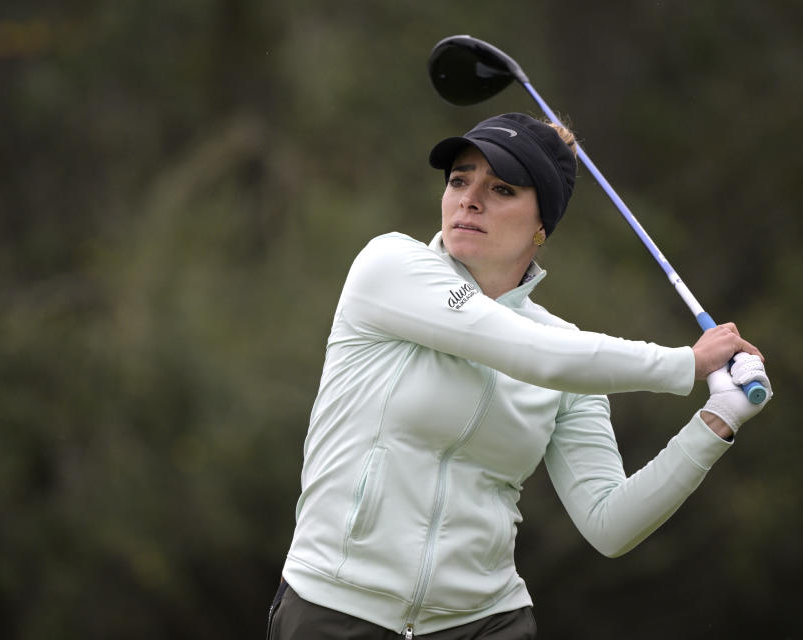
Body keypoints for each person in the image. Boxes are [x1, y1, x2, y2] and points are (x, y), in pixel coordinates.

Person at [267, 112, 772, 639]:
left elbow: (609, 524)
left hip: (486, 623)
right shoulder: (390, 267)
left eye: (501, 188)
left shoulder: (569, 350)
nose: (469, 198)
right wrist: (686, 363)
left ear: (541, 225)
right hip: (335, 610)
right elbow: (527, 352)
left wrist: (718, 420)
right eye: (460, 180)